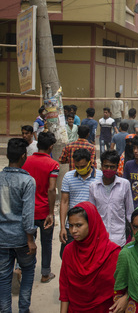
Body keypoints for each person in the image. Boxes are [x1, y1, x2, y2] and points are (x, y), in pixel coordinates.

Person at [59, 202, 121, 313]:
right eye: (71, 225)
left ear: (91, 223)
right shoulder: (69, 251)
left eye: (79, 225)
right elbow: (64, 286)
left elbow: (123, 287)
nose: (73, 230)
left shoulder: (112, 252)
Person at [0, 138, 37, 313]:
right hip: (22, 238)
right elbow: (28, 213)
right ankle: (24, 309)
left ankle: (5, 309)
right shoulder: (27, 181)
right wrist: (30, 238)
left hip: (3, 238)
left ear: (7, 155)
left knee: (4, 278)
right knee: (28, 271)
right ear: (24, 156)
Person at [22, 132, 59, 283]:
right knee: (46, 242)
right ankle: (45, 273)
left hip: (28, 210)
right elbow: (51, 189)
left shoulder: (25, 161)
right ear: (51, 147)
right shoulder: (52, 164)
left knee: (27, 241)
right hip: (44, 211)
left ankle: (21, 269)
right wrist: (51, 212)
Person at [59, 148, 103, 257]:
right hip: (73, 225)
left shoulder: (100, 177)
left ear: (90, 163)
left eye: (83, 167)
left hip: (92, 225)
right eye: (77, 167)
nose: (80, 169)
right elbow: (64, 202)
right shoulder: (68, 177)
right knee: (67, 255)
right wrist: (63, 227)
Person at [89, 150, 134, 247]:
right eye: (106, 166)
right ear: (102, 166)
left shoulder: (124, 184)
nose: (108, 169)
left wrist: (134, 234)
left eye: (112, 167)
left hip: (119, 240)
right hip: (99, 239)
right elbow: (91, 214)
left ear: (117, 167)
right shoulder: (93, 187)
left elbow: (130, 212)